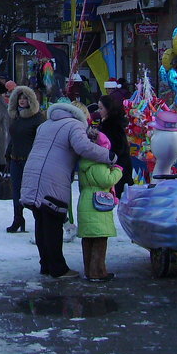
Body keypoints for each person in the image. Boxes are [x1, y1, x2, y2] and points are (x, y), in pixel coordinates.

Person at [20, 102, 112, 279]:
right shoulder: (74, 125)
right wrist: (108, 156)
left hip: (32, 173)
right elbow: (83, 147)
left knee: (41, 219)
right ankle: (58, 268)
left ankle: (45, 264)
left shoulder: (45, 124)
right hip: (52, 176)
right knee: (53, 222)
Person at [77, 126, 123, 282]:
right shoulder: (98, 163)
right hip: (97, 203)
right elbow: (106, 180)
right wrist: (117, 170)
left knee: (88, 240)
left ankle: (89, 270)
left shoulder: (85, 161)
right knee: (100, 239)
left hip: (86, 201)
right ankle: (98, 271)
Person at [5, 86, 44, 234]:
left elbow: (41, 140)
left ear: (31, 100)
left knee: (32, 192)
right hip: (15, 159)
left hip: (31, 160)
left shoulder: (38, 118)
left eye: (25, 98)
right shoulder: (17, 117)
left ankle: (39, 221)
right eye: (20, 98)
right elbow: (14, 138)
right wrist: (8, 153)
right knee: (16, 192)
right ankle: (18, 219)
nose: (22, 101)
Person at [96, 93, 132, 195]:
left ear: (108, 109)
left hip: (118, 167)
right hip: (117, 166)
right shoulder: (108, 123)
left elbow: (119, 147)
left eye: (101, 108)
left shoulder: (112, 125)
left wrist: (109, 159)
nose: (99, 111)